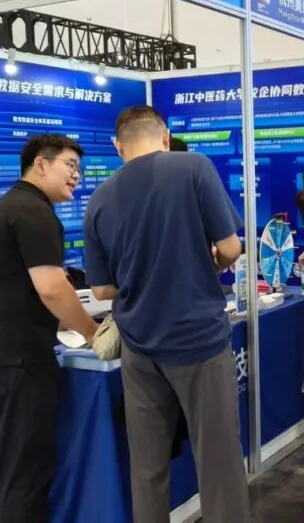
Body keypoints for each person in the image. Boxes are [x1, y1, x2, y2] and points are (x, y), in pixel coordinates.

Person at [83, 106, 250, 522]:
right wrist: (205, 264)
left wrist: (140, 278)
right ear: (165, 136)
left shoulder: (99, 198)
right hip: (199, 342)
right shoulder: (193, 167)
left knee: (147, 466)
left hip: (139, 348)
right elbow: (231, 247)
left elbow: (101, 290)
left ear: (118, 146)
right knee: (218, 462)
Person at [0, 134, 100, 523]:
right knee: (23, 472)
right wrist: (93, 333)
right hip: (17, 360)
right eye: (69, 165)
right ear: (40, 164)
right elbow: (52, 288)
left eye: (79, 168)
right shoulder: (34, 211)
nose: (76, 175)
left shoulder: (13, 205)